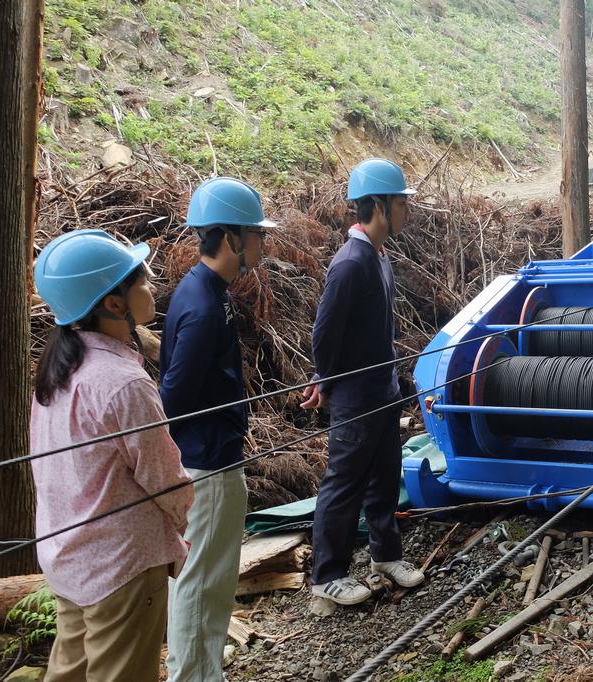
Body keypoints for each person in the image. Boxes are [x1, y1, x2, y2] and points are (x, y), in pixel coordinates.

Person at [31, 230, 193, 681]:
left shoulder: (58, 372)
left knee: (70, 672)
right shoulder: (122, 382)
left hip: (68, 556)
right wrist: (186, 525)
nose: (152, 285)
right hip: (122, 564)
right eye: (139, 279)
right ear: (114, 304)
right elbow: (163, 476)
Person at [161, 177, 274, 681]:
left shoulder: (205, 290)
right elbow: (175, 396)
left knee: (207, 577)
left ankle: (202, 669)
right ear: (229, 239)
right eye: (255, 234)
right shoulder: (205, 306)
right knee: (201, 579)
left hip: (212, 455)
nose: (262, 244)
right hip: (206, 464)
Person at [301, 158, 424, 605]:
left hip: (383, 390)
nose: (407, 210)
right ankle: (326, 575)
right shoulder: (350, 263)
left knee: (385, 476)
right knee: (344, 482)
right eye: (400, 203)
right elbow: (324, 332)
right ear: (377, 205)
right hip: (356, 397)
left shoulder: (378, 255)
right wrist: (325, 379)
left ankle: (384, 554)